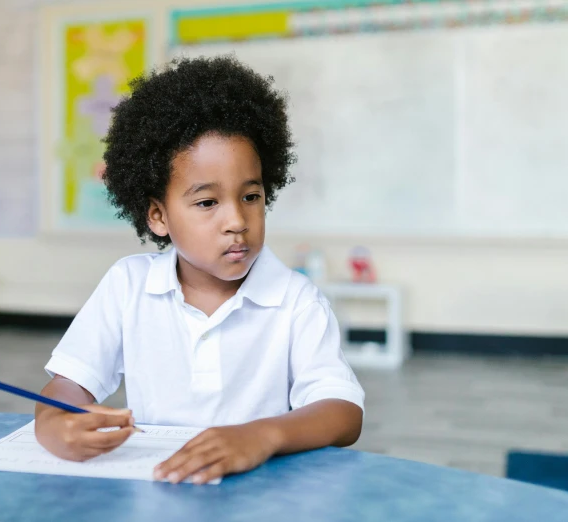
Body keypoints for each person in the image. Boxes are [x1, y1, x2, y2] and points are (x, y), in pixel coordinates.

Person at [35, 56, 364, 485]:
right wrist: (55, 426)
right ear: (158, 216)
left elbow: (342, 413)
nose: (236, 221)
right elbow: (65, 388)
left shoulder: (296, 300)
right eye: (207, 203)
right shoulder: (128, 286)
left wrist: (261, 436)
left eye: (251, 196)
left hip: (263, 497)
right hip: (160, 491)